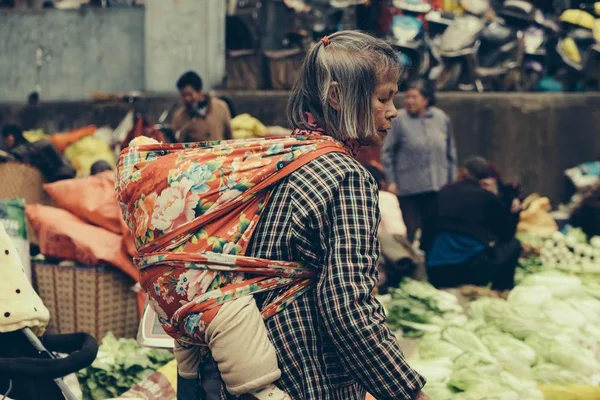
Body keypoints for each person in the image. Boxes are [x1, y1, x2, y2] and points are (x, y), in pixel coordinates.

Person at [116, 31, 428, 400]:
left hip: (254, 364)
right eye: (383, 98)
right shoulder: (348, 177)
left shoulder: (279, 163)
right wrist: (408, 392)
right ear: (337, 97)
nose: (393, 111)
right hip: (309, 373)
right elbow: (347, 306)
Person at [423, 156, 522, 291]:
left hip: (436, 272)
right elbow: (506, 235)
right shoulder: (487, 197)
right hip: (470, 271)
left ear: (463, 173)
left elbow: (425, 238)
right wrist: (498, 199)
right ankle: (501, 291)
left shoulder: (442, 193)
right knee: (514, 245)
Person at [381, 78, 457, 243]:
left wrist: (451, 181)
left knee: (433, 230)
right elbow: (387, 153)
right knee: (408, 231)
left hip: (437, 186)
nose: (409, 101)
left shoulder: (441, 118)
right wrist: (391, 181)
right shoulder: (399, 119)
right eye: (407, 97)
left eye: (414, 97)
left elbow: (450, 153)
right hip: (408, 188)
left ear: (426, 99)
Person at [365, 165, 425, 293]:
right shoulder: (388, 197)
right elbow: (397, 230)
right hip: (396, 249)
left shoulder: (359, 198)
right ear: (382, 183)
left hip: (379, 254)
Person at [171, 71, 233, 143]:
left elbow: (229, 136)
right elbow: (177, 142)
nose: (187, 99)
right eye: (183, 95)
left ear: (200, 92)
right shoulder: (180, 117)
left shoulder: (220, 107)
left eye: (189, 94)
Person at [1, 124, 75, 182]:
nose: (6, 143)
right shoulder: (40, 143)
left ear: (11, 138)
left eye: (5, 140)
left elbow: (10, 158)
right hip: (71, 173)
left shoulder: (23, 149)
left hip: (59, 178)